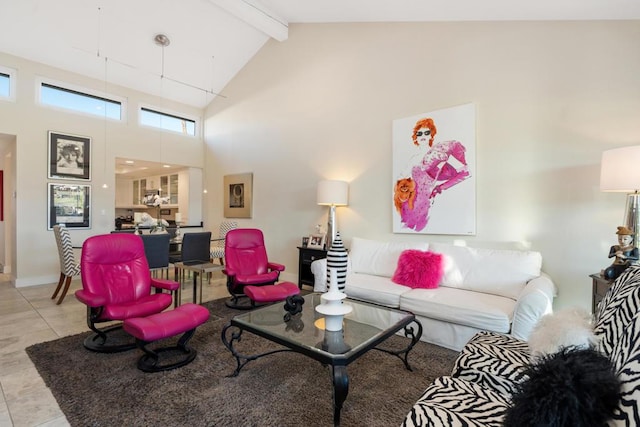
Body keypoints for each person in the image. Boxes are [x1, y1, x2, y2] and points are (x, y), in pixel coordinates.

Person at [394, 117, 470, 231]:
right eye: (419, 134)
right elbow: (400, 177)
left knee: (421, 225)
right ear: (416, 137)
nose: (423, 136)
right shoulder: (413, 158)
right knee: (406, 227)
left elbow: (465, 172)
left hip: (426, 200)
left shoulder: (440, 152)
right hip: (411, 200)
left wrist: (440, 187)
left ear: (431, 135)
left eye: (426, 132)